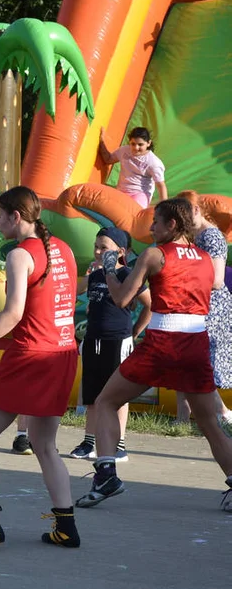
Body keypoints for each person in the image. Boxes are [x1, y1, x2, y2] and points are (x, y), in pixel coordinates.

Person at [75, 199, 232, 511]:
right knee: (208, 421)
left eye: (156, 223)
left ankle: (106, 474)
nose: (150, 229)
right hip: (195, 343)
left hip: (162, 343)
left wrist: (109, 268)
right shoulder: (203, 257)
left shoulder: (155, 254)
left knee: (106, 401)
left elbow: (121, 299)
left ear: (172, 224)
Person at [0, 186, 81, 549]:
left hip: (30, 356)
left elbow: (12, 314)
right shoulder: (64, 250)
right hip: (64, 354)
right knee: (45, 445)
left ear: (16, 217)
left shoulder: (21, 255)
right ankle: (66, 526)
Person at [68, 227, 151, 462]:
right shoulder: (94, 275)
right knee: (92, 393)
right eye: (96, 246)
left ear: (120, 251)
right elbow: (74, 292)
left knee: (117, 394)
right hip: (94, 340)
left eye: (103, 247)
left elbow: (150, 305)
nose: (97, 251)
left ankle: (119, 444)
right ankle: (89, 442)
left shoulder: (127, 275)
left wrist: (135, 332)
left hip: (118, 341)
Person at [172, 190, 232, 428]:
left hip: (211, 308)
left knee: (194, 363)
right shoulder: (194, 237)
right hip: (195, 305)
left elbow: (217, 280)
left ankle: (222, 412)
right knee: (183, 361)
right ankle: (183, 417)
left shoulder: (212, 236)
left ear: (196, 210)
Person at [98, 126, 167, 209]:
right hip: (122, 191)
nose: (136, 148)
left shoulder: (153, 162)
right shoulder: (124, 151)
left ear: (148, 143)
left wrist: (164, 207)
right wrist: (101, 141)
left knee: (131, 211)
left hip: (140, 194)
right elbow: (108, 159)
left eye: (140, 144)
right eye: (133, 144)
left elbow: (161, 185)